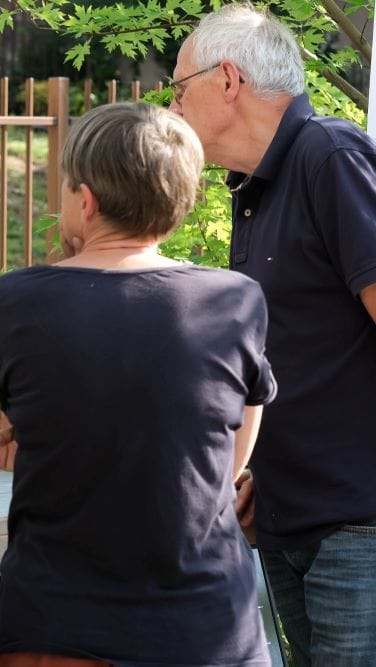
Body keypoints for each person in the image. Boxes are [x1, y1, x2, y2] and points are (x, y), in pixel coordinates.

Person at [0, 102, 277, 666]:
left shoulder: (12, 300)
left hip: (59, 622)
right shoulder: (236, 299)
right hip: (205, 621)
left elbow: (49, 424)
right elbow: (236, 433)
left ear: (85, 201)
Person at [169, 5, 376, 663]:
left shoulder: (330, 155)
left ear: (228, 80)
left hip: (357, 528)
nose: (171, 108)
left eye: (178, 89)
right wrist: (256, 463)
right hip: (287, 519)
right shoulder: (254, 186)